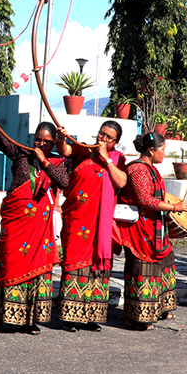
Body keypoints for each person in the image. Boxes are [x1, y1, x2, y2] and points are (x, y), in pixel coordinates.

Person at [0, 107, 69, 334]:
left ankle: (29, 319)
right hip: (16, 221)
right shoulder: (21, 154)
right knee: (8, 265)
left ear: (53, 144)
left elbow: (64, 182)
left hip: (39, 227)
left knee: (37, 269)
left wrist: (46, 161)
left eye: (46, 142)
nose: (40, 145)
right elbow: (2, 142)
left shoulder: (58, 163)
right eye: (37, 140)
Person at [54, 119, 126, 331]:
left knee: (96, 266)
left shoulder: (117, 159)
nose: (102, 139)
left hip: (99, 225)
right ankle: (70, 316)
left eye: (108, 137)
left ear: (115, 142)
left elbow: (121, 182)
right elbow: (65, 150)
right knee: (74, 263)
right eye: (101, 133)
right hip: (77, 221)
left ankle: (90, 316)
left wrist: (106, 159)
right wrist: (60, 137)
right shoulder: (84, 150)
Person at [115, 131, 187, 329]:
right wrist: (174, 208)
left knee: (164, 261)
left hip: (154, 227)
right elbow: (145, 200)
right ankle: (138, 316)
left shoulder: (151, 169)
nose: (164, 153)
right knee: (142, 266)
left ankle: (159, 308)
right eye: (163, 149)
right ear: (151, 150)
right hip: (141, 229)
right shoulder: (139, 169)